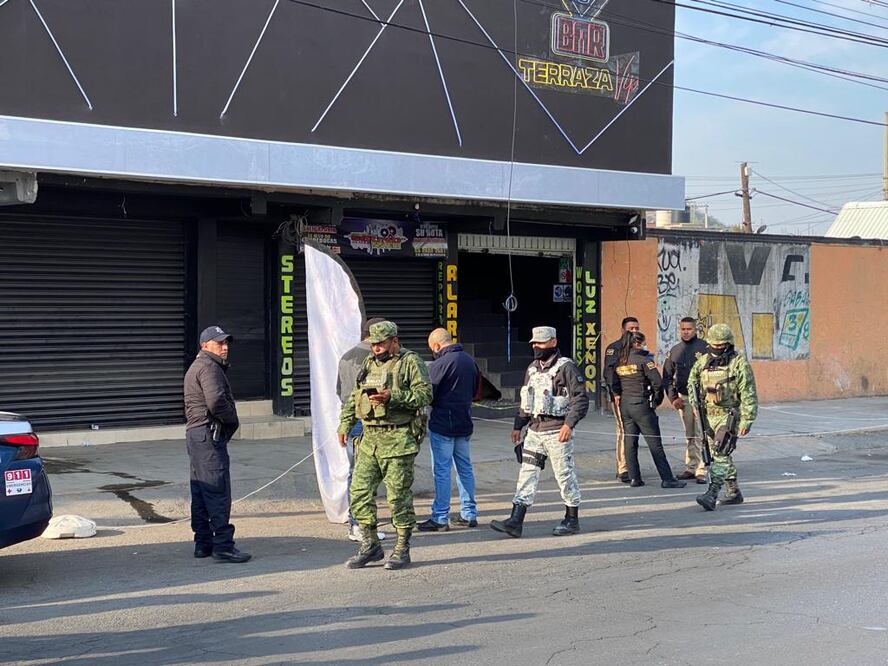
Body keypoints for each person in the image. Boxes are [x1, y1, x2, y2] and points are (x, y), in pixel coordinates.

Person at [338, 321, 432, 570]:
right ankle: (370, 545)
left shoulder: (410, 362)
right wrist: (344, 425)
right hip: (369, 440)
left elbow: (425, 395)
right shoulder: (368, 362)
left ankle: (402, 548)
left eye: (380, 344)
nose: (376, 348)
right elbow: (354, 397)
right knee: (358, 492)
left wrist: (394, 396)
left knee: (398, 497)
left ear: (394, 341)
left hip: (398, 439)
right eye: (373, 344)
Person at [490, 326, 589, 538]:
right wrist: (519, 424)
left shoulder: (566, 368)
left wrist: (568, 425)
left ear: (553, 342)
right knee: (527, 473)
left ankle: (572, 519)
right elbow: (527, 399)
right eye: (534, 343)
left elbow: (580, 399)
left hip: (557, 431)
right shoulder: (533, 369)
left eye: (541, 343)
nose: (536, 347)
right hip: (535, 431)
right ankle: (515, 520)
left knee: (564, 474)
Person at [183, 325, 251, 563]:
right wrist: (232, 422)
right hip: (208, 435)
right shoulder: (209, 367)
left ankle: (203, 543)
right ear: (205, 345)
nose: (225, 347)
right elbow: (216, 402)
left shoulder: (199, 366)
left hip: (197, 436)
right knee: (217, 491)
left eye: (226, 343)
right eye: (219, 343)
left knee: (201, 491)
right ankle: (223, 545)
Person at [689, 324, 758, 511]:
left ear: (728, 345)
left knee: (720, 452)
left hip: (729, 416)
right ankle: (734, 491)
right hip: (707, 416)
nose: (717, 349)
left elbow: (748, 393)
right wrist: (695, 406)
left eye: (721, 346)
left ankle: (712, 493)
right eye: (714, 345)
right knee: (721, 454)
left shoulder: (738, 363)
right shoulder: (702, 362)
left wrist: (747, 420)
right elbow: (692, 382)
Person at [418, 329, 481, 532]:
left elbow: (428, 394)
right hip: (464, 422)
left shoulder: (439, 364)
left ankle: (440, 517)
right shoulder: (469, 360)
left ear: (436, 346)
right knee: (465, 468)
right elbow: (475, 391)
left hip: (443, 423)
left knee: (442, 471)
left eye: (432, 349)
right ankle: (469, 513)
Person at [611, 331, 687, 489]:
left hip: (625, 406)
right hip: (642, 406)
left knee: (630, 442)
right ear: (637, 344)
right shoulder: (644, 360)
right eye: (644, 342)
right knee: (655, 444)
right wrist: (656, 401)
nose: (646, 345)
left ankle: (634, 478)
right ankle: (667, 478)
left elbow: (613, 382)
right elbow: (658, 382)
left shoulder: (620, 361)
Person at [336, 317, 387, 543]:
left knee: (355, 472)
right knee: (365, 474)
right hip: (369, 420)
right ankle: (359, 524)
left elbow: (340, 390)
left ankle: (357, 522)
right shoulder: (373, 359)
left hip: (352, 420)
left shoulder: (346, 356)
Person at [662, 317, 710, 484]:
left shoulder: (705, 348)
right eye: (683, 329)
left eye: (689, 329)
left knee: (701, 433)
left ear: (695, 330)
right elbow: (667, 377)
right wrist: (673, 398)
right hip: (685, 398)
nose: (686, 332)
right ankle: (691, 467)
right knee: (690, 434)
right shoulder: (675, 351)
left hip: (703, 398)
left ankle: (701, 469)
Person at [604, 317, 640, 483]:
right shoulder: (614, 348)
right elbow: (610, 372)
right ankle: (623, 468)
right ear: (622, 329)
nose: (634, 331)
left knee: (633, 433)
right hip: (620, 396)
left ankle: (632, 467)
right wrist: (615, 392)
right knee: (623, 431)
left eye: (636, 328)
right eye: (630, 328)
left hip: (637, 397)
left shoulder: (638, 347)